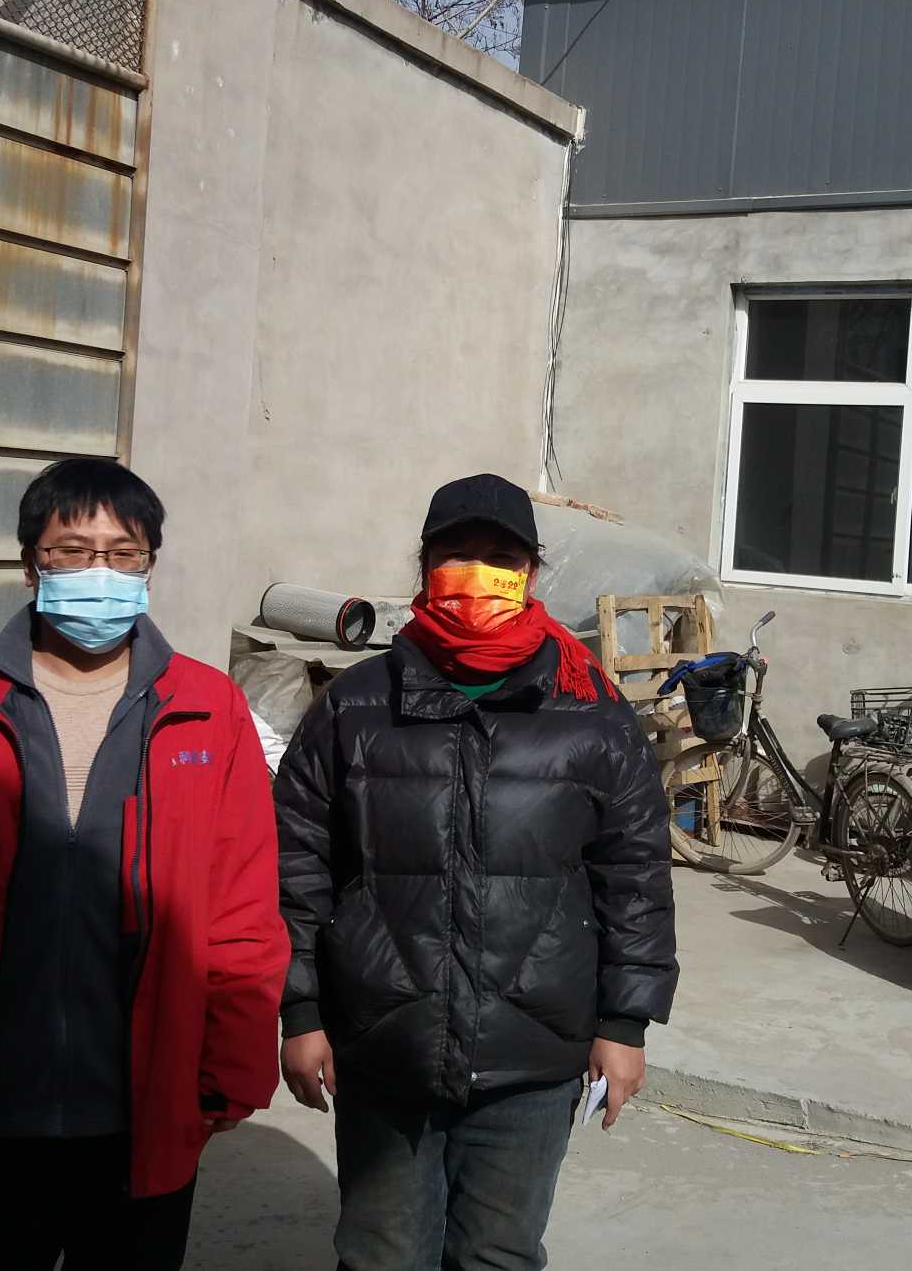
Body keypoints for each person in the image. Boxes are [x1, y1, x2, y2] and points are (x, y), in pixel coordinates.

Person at [0, 457, 288, 1269]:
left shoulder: (208, 709)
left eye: (124, 553)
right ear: (30, 564)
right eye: (73, 551)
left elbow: (242, 906)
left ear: (149, 566)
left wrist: (236, 1064)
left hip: (143, 1101)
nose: (99, 572)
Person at [273, 473, 679, 1271]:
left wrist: (624, 1026)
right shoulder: (356, 705)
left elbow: (634, 876)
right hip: (384, 1043)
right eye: (458, 553)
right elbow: (297, 862)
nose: (478, 574)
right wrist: (301, 1010)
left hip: (534, 1051)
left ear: (531, 572)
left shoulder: (591, 710)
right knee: (381, 1255)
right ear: (425, 566)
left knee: (497, 1254)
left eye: (501, 557)